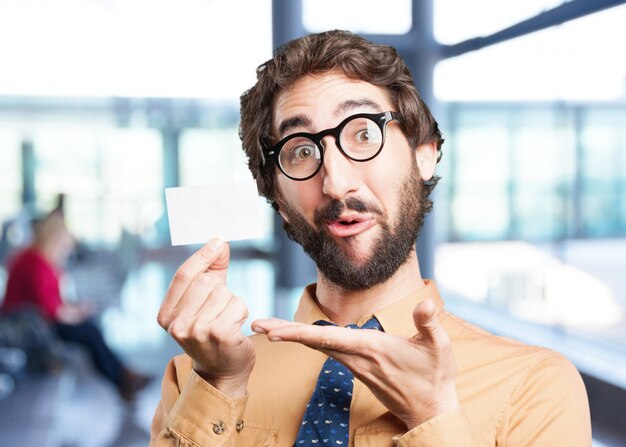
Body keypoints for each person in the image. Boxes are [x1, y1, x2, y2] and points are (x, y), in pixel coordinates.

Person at [150, 30, 591, 446]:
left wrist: (432, 415)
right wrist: (220, 385)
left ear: (424, 155)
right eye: (302, 150)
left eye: (363, 133)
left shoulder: (536, 383)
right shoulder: (195, 377)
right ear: (278, 199)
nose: (336, 184)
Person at [1, 208, 150, 402]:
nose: (67, 251)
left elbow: (52, 302)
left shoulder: (40, 259)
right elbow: (49, 309)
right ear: (54, 240)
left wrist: (76, 310)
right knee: (89, 333)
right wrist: (75, 313)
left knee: (90, 328)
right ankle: (122, 378)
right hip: (26, 325)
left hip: (37, 319)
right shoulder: (35, 262)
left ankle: (123, 376)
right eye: (65, 246)